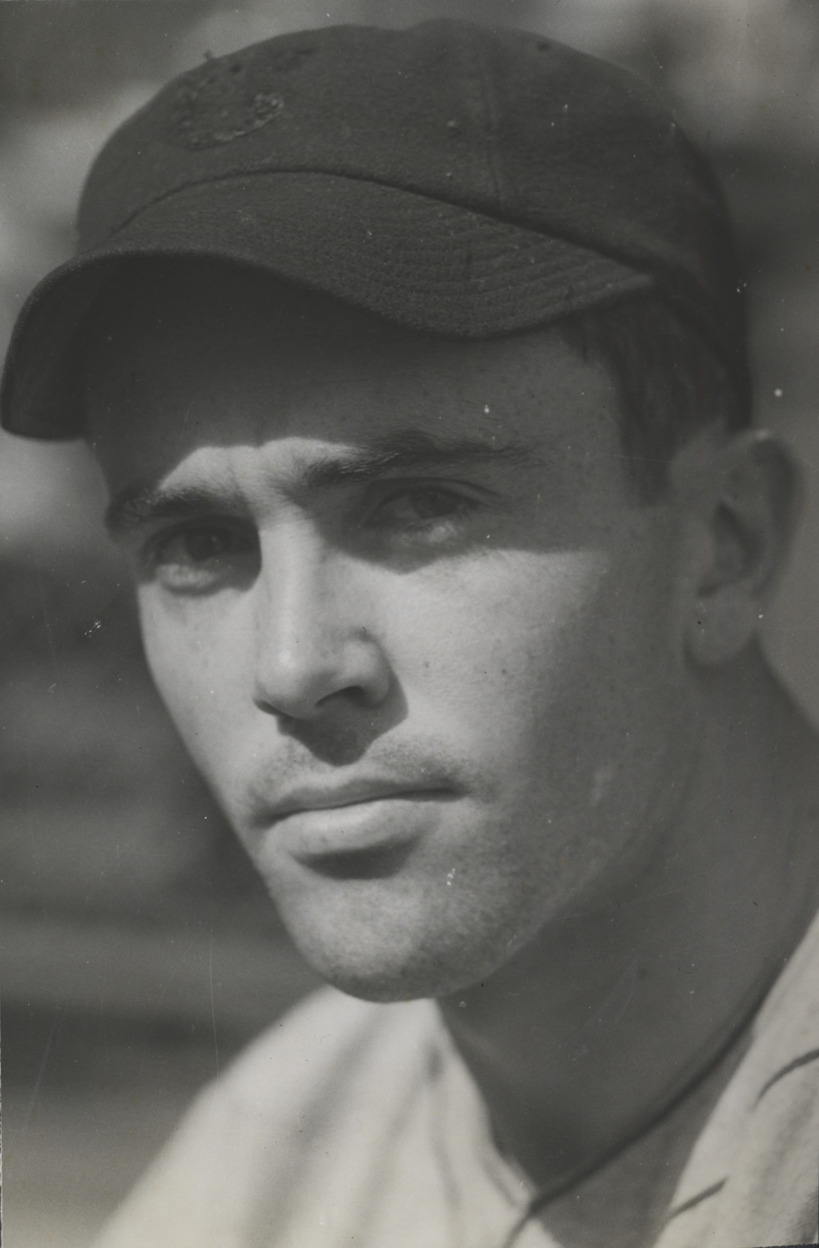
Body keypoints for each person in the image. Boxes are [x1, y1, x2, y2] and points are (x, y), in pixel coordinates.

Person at [2, 19, 818, 1248]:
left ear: (725, 542)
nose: (292, 667)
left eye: (421, 507)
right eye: (199, 546)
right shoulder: (279, 1156)